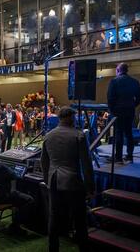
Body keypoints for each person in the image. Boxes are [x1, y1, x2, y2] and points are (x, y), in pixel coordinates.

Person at [41, 107, 95, 252]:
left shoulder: (48, 135)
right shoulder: (79, 135)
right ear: (71, 117)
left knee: (54, 218)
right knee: (80, 220)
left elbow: (44, 162)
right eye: (75, 117)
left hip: (53, 180)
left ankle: (53, 249)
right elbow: (86, 164)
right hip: (73, 182)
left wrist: (47, 180)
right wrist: (90, 188)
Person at [107, 63, 140, 163]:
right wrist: (133, 105)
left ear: (118, 70)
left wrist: (112, 111)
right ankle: (129, 156)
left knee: (119, 133)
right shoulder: (134, 81)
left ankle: (118, 157)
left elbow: (110, 98)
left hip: (118, 111)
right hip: (130, 111)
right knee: (129, 133)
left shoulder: (114, 81)